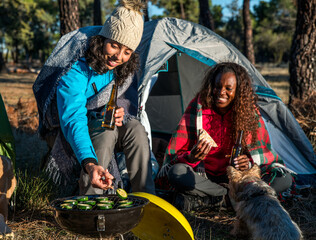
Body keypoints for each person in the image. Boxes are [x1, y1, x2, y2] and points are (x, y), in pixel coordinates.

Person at [33, 0, 155, 197]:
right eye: (114, 46)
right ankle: (92, 199)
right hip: (69, 127)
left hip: (101, 122)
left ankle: (146, 198)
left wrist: (120, 110)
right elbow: (73, 117)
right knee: (105, 132)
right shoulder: (77, 68)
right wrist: (90, 164)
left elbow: (127, 100)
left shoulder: (124, 68)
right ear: (102, 40)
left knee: (136, 130)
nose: (118, 57)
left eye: (127, 52)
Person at [156, 62, 293, 211]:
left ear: (238, 91)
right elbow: (176, 154)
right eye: (217, 86)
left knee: (283, 179)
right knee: (176, 173)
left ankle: (214, 202)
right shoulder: (198, 107)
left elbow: (261, 156)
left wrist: (248, 165)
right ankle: (231, 199)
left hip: (239, 179)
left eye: (228, 88)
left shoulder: (248, 112)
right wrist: (191, 158)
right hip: (204, 178)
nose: (221, 92)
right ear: (211, 86)